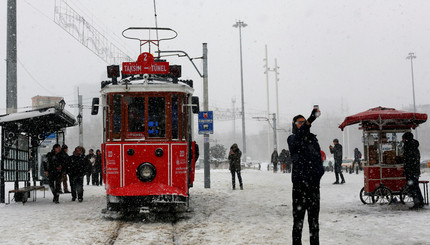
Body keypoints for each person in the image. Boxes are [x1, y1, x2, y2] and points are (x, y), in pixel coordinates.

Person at [287, 108, 325, 245]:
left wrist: (319, 173)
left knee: (314, 223)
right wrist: (309, 121)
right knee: (298, 223)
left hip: (313, 187)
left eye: (304, 122)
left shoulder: (313, 139)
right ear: (294, 125)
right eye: (299, 123)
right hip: (299, 187)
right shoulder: (292, 139)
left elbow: (318, 159)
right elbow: (297, 139)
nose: (302, 125)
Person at [402, 132, 424, 209]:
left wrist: (406, 169)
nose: (402, 140)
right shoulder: (414, 146)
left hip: (411, 171)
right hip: (416, 171)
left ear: (406, 139)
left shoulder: (408, 147)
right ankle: (420, 201)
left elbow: (407, 160)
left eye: (403, 138)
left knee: (412, 187)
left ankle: (417, 203)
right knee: (416, 186)